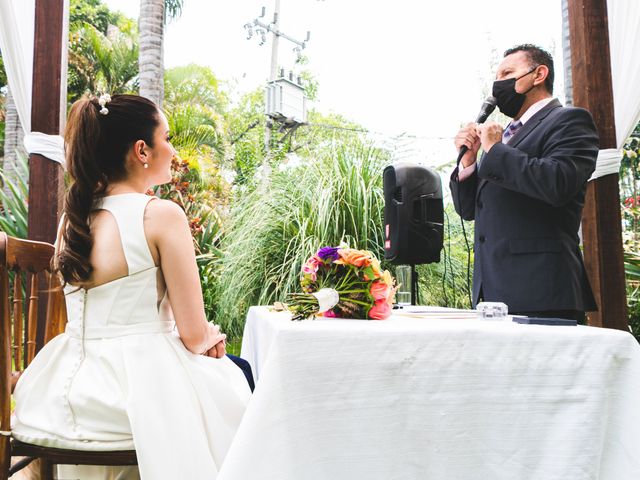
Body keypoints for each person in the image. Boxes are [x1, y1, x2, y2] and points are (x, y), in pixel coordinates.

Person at [11, 94, 251, 479]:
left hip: (61, 391)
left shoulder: (71, 221)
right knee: (239, 384)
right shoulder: (160, 215)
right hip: (134, 393)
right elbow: (192, 334)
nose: (172, 149)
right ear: (142, 150)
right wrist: (212, 336)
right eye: (167, 138)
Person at [449, 44, 598, 322]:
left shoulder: (569, 120)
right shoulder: (505, 138)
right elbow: (469, 210)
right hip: (492, 293)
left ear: (539, 74)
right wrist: (469, 162)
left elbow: (558, 182)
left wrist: (495, 149)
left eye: (507, 72)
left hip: (543, 290)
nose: (498, 84)